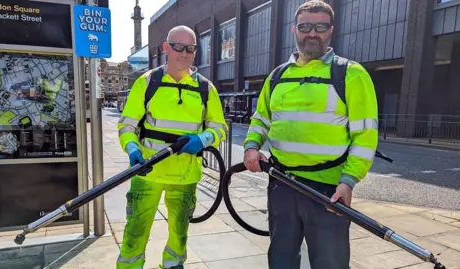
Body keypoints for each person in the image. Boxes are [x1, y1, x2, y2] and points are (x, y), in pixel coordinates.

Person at [243, 1, 378, 269]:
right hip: (282, 183)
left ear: (331, 30)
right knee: (281, 259)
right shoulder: (278, 75)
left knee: (330, 262)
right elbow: (261, 119)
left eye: (320, 26)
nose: (312, 33)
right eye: (305, 27)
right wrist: (251, 146)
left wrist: (348, 181)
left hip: (327, 190)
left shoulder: (350, 74)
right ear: (295, 30)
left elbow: (365, 136)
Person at [116, 25, 228, 269]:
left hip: (185, 175)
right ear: (166, 48)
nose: (184, 53)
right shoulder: (148, 83)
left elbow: (220, 128)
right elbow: (127, 126)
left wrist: (204, 139)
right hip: (148, 172)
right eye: (178, 47)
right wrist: (132, 149)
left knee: (179, 234)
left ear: (195, 52)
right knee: (135, 230)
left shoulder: (206, 88)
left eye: (190, 48)